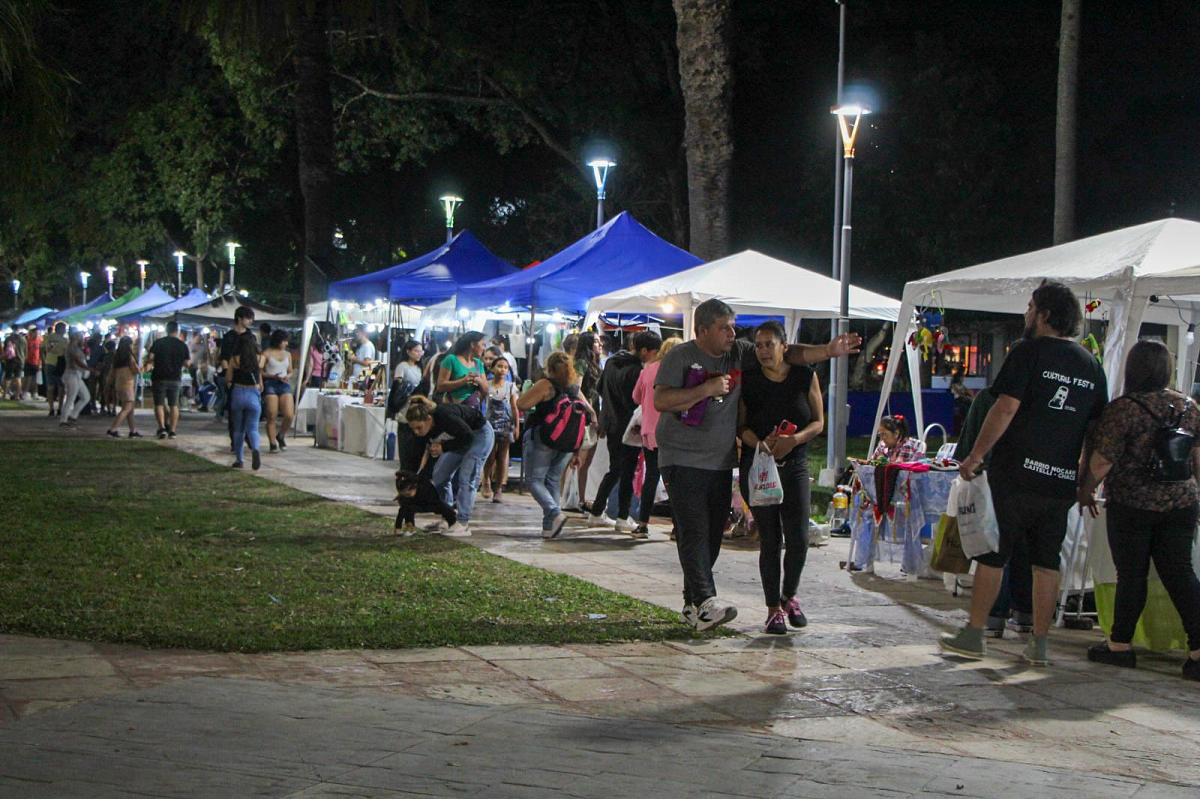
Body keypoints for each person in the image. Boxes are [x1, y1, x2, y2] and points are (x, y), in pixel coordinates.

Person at [654, 297, 858, 631]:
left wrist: (827, 351)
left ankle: (692, 604)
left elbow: (786, 352)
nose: (733, 334)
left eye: (733, 327)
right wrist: (706, 388)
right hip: (682, 458)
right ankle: (706, 601)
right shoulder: (682, 355)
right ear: (702, 329)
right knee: (694, 530)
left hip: (720, 462)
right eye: (725, 328)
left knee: (713, 535)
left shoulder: (738, 352)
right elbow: (660, 399)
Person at [942, 281, 1107, 666]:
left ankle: (975, 634)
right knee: (1047, 562)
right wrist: (1085, 482)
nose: (1026, 314)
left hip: (1015, 477)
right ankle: (1040, 643)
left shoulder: (1027, 353)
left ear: (1045, 314)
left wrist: (975, 456)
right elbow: (1094, 433)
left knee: (993, 555)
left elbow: (1005, 409)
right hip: (1060, 483)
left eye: (1031, 307)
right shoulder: (1091, 366)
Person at [1079, 340, 1200, 681]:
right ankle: (1198, 651)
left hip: (1132, 503)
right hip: (1181, 503)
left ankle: (1120, 646)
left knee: (1131, 575)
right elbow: (1196, 459)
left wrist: (1085, 490)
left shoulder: (1123, 409)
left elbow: (1102, 461)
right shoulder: (1189, 407)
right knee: (1181, 574)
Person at [738, 320, 825, 635]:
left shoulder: (804, 376)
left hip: (796, 465)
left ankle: (790, 595)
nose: (762, 351)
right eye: (758, 345)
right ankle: (773, 609)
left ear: (784, 346)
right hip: (760, 467)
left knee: (799, 537)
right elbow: (741, 427)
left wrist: (795, 440)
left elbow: (819, 422)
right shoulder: (749, 381)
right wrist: (760, 444)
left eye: (768, 344)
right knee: (770, 539)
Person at [518, 351, 598, 538]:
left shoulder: (546, 384)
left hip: (544, 438)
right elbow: (590, 413)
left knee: (534, 481)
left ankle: (554, 512)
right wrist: (577, 450)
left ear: (550, 368)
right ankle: (549, 527)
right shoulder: (575, 390)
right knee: (553, 480)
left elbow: (522, 404)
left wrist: (526, 392)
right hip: (567, 443)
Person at [589, 331, 662, 535]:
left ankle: (597, 511)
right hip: (627, 426)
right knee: (627, 471)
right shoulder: (636, 370)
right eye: (655, 352)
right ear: (645, 351)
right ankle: (622, 516)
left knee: (615, 470)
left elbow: (601, 388)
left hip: (611, 423)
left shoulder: (612, 362)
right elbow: (634, 401)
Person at [405, 395, 494, 536]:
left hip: (479, 434)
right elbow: (417, 458)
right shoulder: (423, 431)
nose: (417, 432)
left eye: (419, 428)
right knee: (439, 475)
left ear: (429, 419)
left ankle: (463, 523)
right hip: (460, 439)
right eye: (413, 429)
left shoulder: (444, 416)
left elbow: (468, 436)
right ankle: (449, 516)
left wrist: (444, 447)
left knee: (467, 476)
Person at [631, 337, 681, 539]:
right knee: (675, 480)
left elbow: (635, 397)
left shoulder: (648, 370)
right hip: (673, 433)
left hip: (649, 432)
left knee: (651, 477)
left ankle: (642, 523)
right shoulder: (679, 371)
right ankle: (677, 527)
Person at [480, 355, 520, 502]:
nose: (502, 370)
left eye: (505, 367)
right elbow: (480, 403)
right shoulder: (487, 385)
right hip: (489, 423)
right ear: (492, 368)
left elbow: (515, 407)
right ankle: (486, 481)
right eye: (499, 366)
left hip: (506, 424)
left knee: (502, 457)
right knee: (490, 456)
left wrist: (516, 426)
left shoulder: (510, 386)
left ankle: (499, 489)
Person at [145, 321, 190, 440]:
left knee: (159, 404)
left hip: (159, 376)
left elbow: (150, 358)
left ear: (166, 330)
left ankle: (162, 428)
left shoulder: (158, 343)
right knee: (174, 405)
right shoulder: (182, 345)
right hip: (175, 377)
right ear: (178, 330)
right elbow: (187, 363)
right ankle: (172, 431)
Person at [574, 331, 603, 511]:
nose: (600, 345)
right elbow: (576, 389)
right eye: (596, 342)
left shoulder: (597, 365)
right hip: (583, 416)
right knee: (580, 460)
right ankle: (574, 498)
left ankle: (581, 499)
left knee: (587, 462)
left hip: (594, 416)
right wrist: (591, 411)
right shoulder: (581, 364)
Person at [219, 307, 255, 447]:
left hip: (248, 376)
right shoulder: (229, 336)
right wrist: (229, 375)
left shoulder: (251, 336)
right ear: (239, 318)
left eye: (251, 319)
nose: (250, 321)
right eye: (248, 318)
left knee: (250, 409)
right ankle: (235, 439)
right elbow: (224, 358)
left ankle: (248, 436)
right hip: (233, 376)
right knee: (234, 411)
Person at [228, 331, 263, 470]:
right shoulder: (261, 359)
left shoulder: (234, 360)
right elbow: (260, 376)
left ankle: (239, 459)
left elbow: (228, 378)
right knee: (253, 428)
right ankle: (255, 449)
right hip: (253, 394)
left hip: (238, 393)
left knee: (239, 430)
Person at [260, 329, 295, 452]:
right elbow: (261, 371)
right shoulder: (267, 353)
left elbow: (290, 371)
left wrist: (288, 376)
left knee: (289, 414)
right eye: (284, 341)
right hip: (271, 383)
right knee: (272, 414)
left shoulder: (288, 354)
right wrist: (271, 376)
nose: (286, 343)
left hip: (284, 384)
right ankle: (272, 442)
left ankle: (281, 434)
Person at [393, 340, 425, 472]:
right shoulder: (402, 366)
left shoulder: (419, 368)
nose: (419, 354)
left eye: (421, 351)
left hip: (417, 409)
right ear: (408, 352)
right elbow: (397, 388)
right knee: (405, 446)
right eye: (416, 351)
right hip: (405, 410)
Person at [394, 470, 456, 536]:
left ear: (414, 487)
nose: (407, 496)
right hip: (417, 505)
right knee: (408, 508)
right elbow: (402, 511)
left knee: (448, 511)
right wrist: (398, 527)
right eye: (404, 494)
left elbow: (436, 500)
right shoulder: (406, 496)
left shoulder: (424, 485)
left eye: (408, 494)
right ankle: (410, 527)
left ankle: (450, 524)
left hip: (432, 502)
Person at [437, 331, 488, 405]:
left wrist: (478, 380)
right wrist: (463, 381)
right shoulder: (451, 359)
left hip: (471, 409)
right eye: (482, 345)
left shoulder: (478, 363)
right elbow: (440, 386)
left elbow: (486, 390)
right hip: (453, 408)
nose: (484, 348)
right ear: (473, 344)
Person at [105, 336, 142, 438]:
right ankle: (113, 429)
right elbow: (136, 370)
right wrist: (147, 367)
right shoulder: (129, 357)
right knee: (127, 408)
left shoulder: (117, 357)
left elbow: (112, 372)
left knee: (130, 409)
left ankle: (133, 431)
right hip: (128, 384)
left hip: (119, 384)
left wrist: (108, 384)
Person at [59, 330, 94, 428]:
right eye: (80, 336)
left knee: (86, 397)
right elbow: (77, 361)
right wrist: (89, 369)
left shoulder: (77, 348)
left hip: (77, 375)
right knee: (71, 397)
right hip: (72, 374)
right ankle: (63, 420)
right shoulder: (72, 348)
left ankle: (73, 416)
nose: (82, 338)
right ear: (75, 337)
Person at [42, 322, 68, 417]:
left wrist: (44, 360)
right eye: (64, 329)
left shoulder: (48, 338)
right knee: (61, 387)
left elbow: (42, 349)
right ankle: (60, 408)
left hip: (49, 363)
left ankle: (51, 408)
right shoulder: (65, 340)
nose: (65, 330)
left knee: (50, 387)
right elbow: (66, 353)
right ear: (61, 329)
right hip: (60, 365)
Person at [23, 328, 40, 401]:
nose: (37, 334)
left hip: (36, 362)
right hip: (28, 362)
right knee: (28, 378)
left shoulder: (39, 341)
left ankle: (35, 392)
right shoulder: (27, 341)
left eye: (38, 333)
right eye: (35, 333)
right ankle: (25, 392)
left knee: (36, 379)